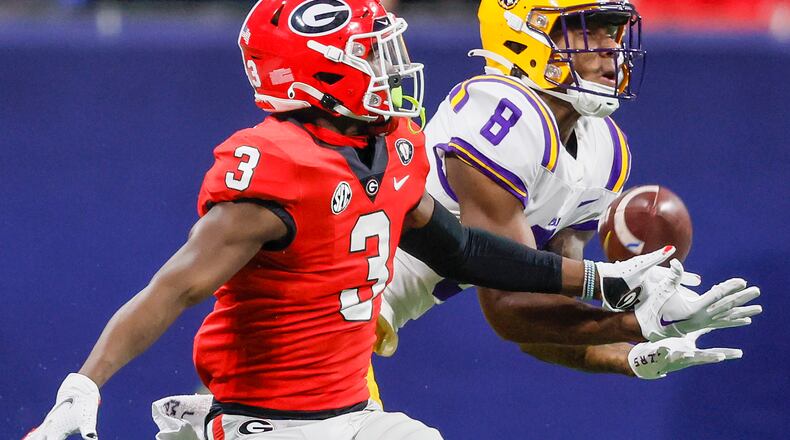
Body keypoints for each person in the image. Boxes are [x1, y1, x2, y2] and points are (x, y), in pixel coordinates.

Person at [25, 1, 758, 440]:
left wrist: (626, 322)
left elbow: (486, 267)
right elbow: (174, 288)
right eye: (370, 55)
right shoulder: (286, 159)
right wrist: (84, 386)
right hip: (292, 392)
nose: (393, 68)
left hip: (344, 375)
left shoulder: (400, 147)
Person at [374, 0, 762, 380]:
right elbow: (507, 306)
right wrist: (636, 321)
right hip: (339, 310)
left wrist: (633, 357)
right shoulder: (501, 114)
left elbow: (541, 318)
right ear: (522, 36)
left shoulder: (606, 149)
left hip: (361, 322)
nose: (609, 48)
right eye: (584, 28)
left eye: (611, 30)